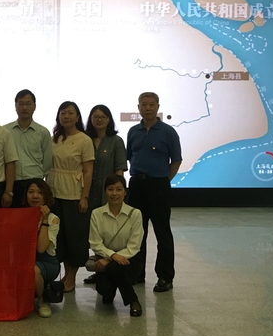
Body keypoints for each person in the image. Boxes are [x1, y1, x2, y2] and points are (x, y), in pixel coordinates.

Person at [126, 92, 182, 293]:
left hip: (159, 186)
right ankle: (136, 273)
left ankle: (165, 276)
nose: (147, 108)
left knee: (162, 233)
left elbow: (176, 160)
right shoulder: (133, 131)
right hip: (136, 186)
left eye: (151, 104)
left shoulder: (168, 132)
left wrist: (164, 180)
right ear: (138, 107)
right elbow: (130, 156)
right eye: (144, 104)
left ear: (158, 107)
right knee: (137, 233)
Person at [47, 101, 94, 293]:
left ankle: (72, 277)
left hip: (74, 194)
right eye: (63, 113)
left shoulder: (84, 140)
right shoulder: (54, 138)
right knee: (60, 237)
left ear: (77, 116)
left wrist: (84, 197)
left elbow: (88, 171)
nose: (66, 116)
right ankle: (66, 274)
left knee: (74, 237)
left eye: (70, 113)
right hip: (54, 193)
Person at [81, 104, 128, 285]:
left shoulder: (116, 141)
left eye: (103, 117)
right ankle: (98, 268)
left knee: (108, 230)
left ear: (109, 119)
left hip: (108, 190)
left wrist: (116, 192)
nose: (99, 120)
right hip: (88, 189)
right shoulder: (85, 139)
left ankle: (111, 268)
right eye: (95, 117)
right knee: (93, 230)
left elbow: (119, 170)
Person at [89, 174, 144, 317]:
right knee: (104, 289)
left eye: (119, 189)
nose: (114, 193)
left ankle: (133, 300)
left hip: (130, 260)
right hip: (104, 259)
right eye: (110, 189)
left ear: (125, 192)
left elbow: (134, 246)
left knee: (114, 267)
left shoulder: (135, 214)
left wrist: (110, 259)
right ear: (105, 191)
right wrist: (112, 256)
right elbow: (95, 243)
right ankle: (112, 292)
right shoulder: (96, 214)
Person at [4, 90, 53, 208]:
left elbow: (47, 162)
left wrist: (37, 177)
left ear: (34, 106)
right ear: (15, 106)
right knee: (12, 218)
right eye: (21, 104)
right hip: (11, 185)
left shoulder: (43, 132)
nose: (24, 107)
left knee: (34, 218)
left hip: (34, 185)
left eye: (28, 104)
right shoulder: (5, 131)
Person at [26, 180, 61, 319]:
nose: (35, 196)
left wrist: (44, 220)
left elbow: (41, 248)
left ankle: (42, 301)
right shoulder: (22, 215)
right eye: (31, 192)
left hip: (47, 263)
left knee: (33, 269)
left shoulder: (53, 219)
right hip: (25, 260)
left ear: (46, 196)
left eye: (39, 192)